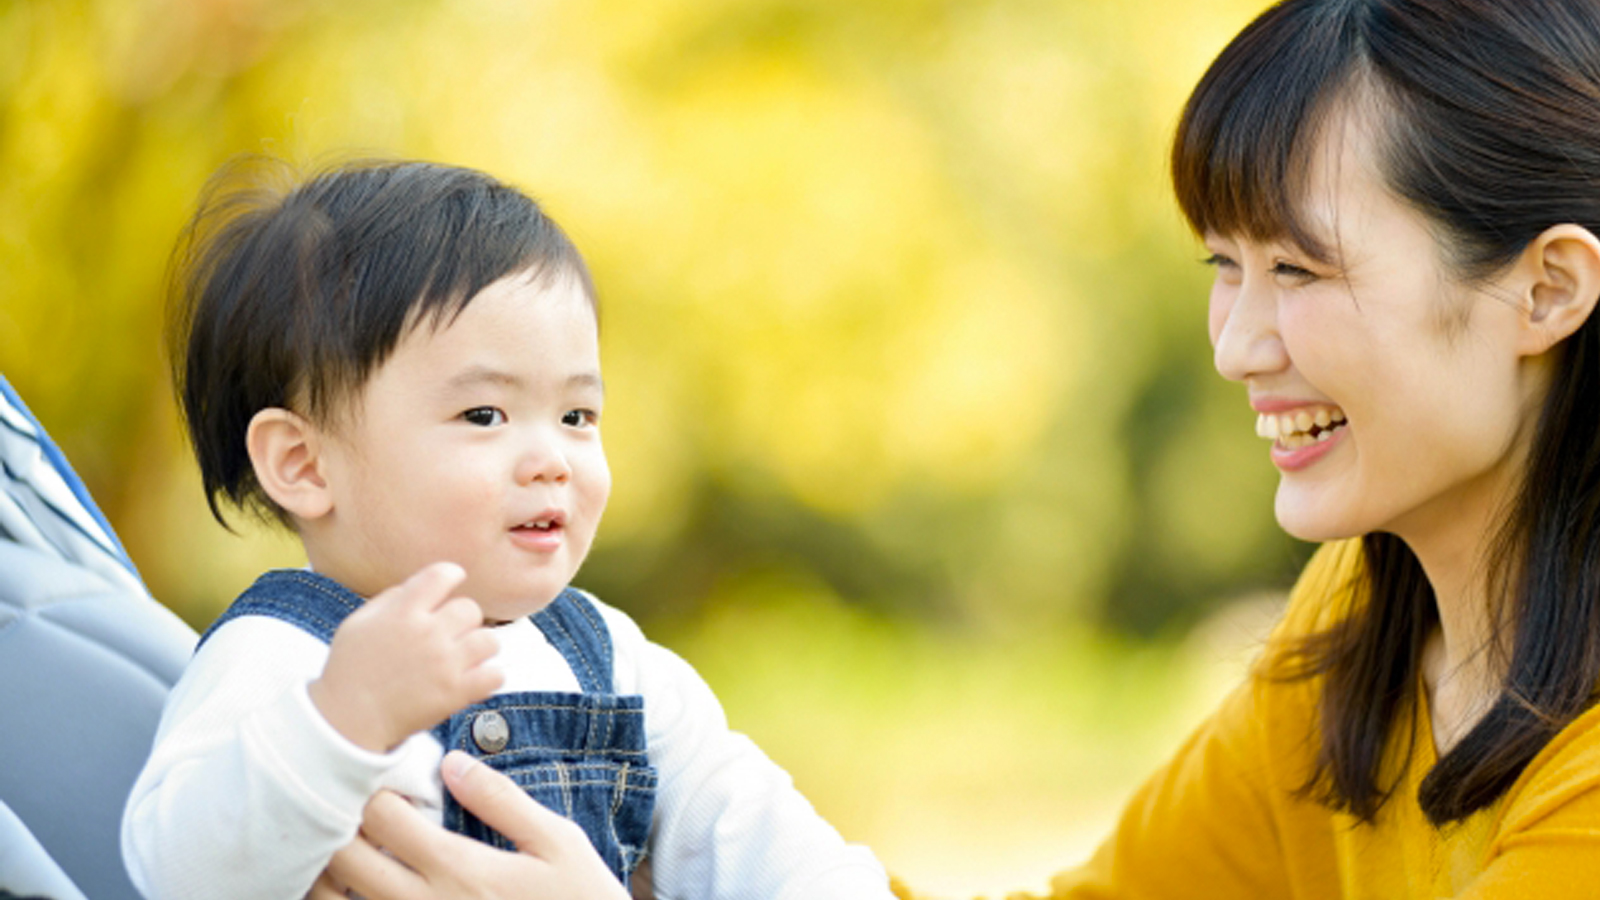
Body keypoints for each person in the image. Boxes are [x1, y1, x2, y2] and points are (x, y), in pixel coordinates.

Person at [313, 0, 1600, 897]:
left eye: (1302, 270)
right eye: (1226, 268)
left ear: (1546, 291)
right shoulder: (1359, 628)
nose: (1238, 345)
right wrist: (665, 846)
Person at [120, 159, 894, 900]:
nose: (552, 459)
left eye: (576, 415)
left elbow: (766, 844)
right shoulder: (280, 660)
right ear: (304, 464)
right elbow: (178, 875)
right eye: (484, 414)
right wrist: (339, 722)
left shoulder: (608, 661)